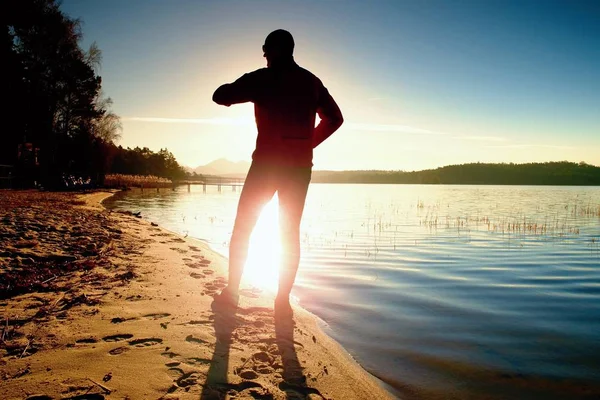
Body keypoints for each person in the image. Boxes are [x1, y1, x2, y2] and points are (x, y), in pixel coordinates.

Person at [212, 29, 343, 314]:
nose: (263, 54)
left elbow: (219, 96)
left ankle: (233, 292)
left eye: (265, 48)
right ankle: (282, 301)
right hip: (299, 168)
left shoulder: (262, 78)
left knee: (244, 227)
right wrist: (309, 143)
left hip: (266, 166)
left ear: (273, 50)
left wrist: (234, 88)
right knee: (289, 233)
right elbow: (335, 118)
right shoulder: (312, 82)